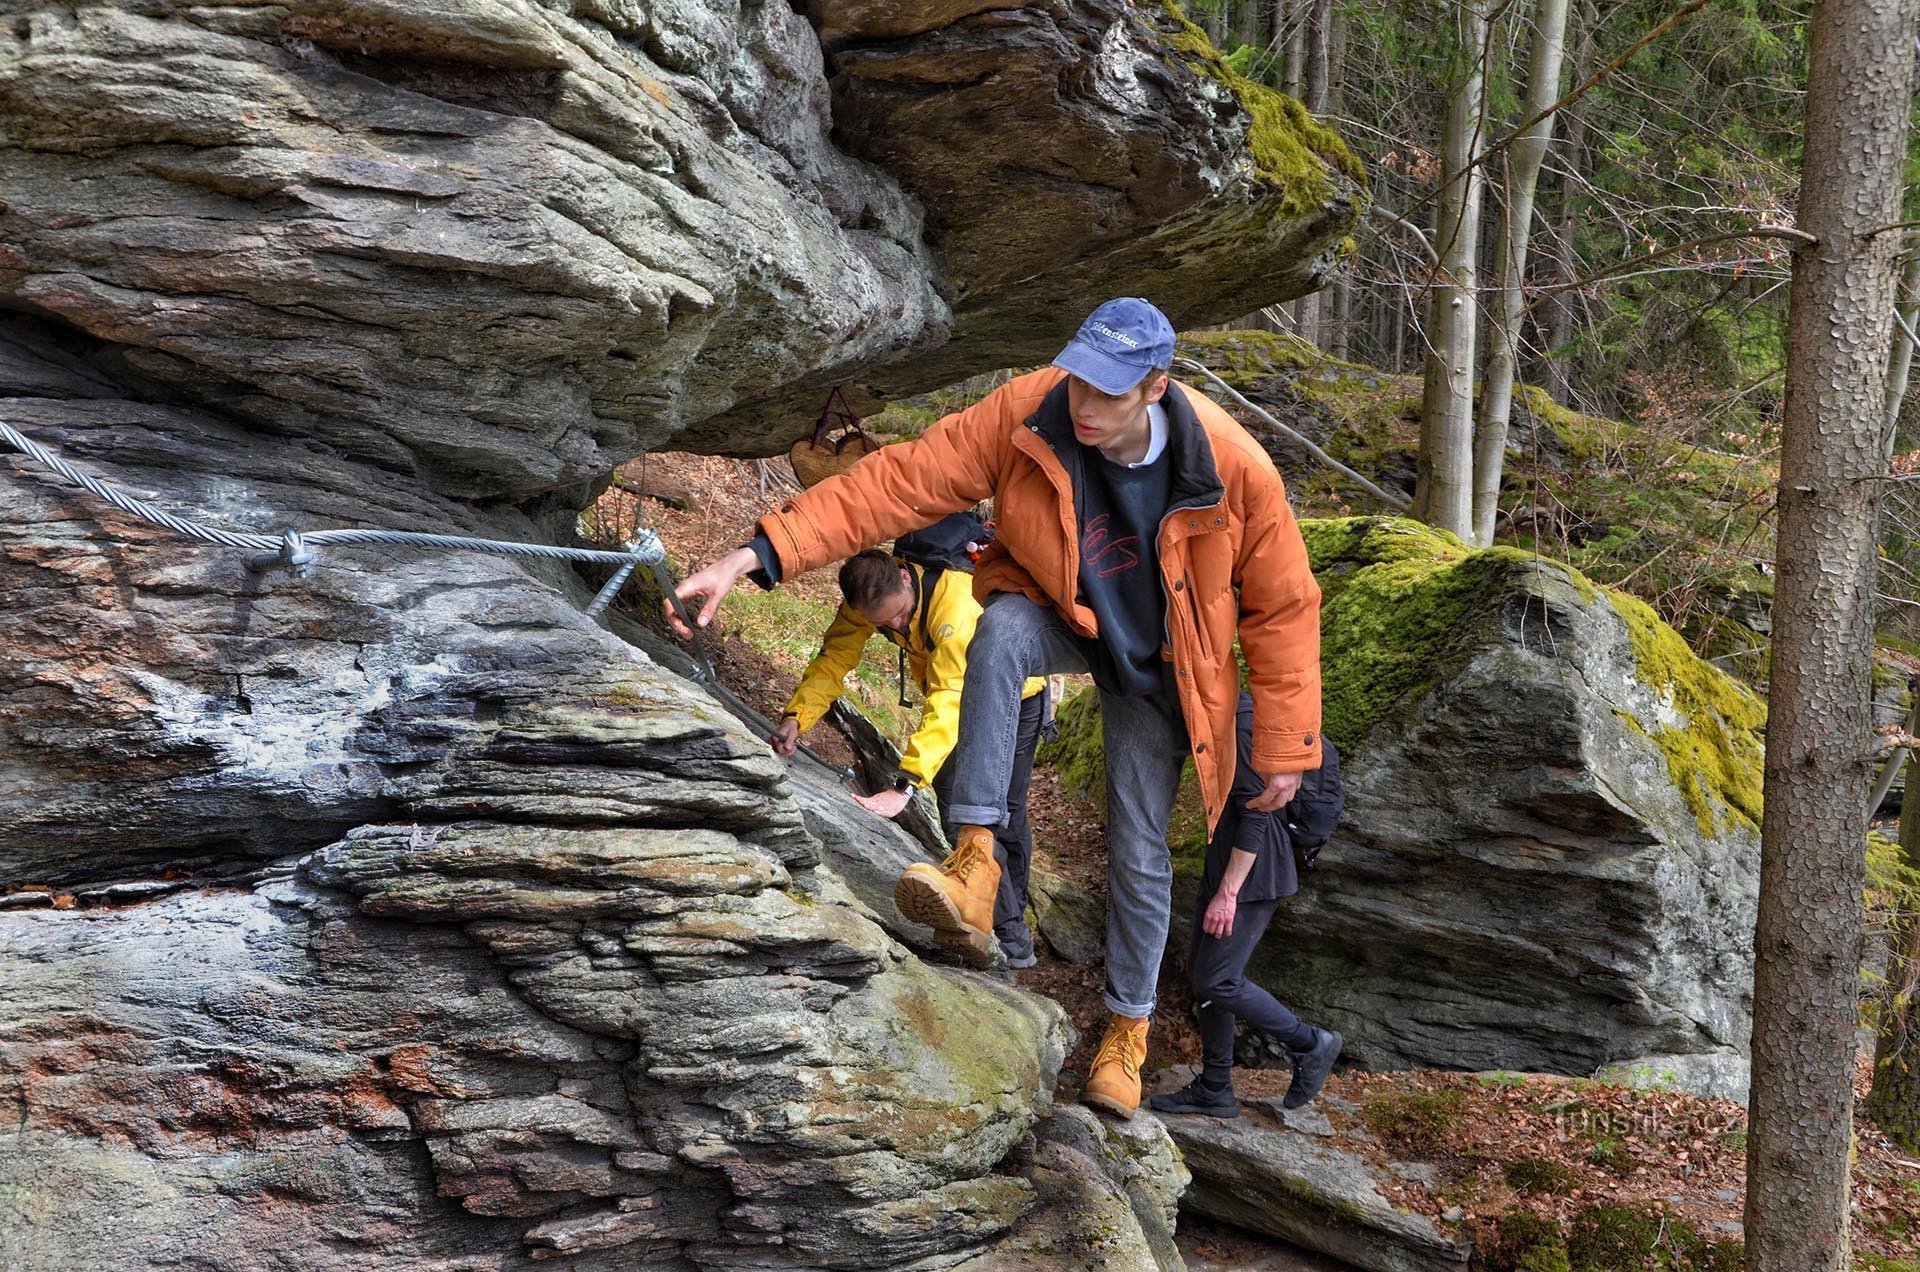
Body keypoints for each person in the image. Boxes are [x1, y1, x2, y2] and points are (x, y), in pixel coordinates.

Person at [669, 297, 1323, 1118]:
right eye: (1078, 379)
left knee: (1139, 848)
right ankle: (974, 858)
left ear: (1156, 386)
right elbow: (900, 480)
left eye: (1107, 391)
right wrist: (755, 555)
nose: (1082, 403)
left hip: (1167, 663)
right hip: (1067, 615)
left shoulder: (1232, 466)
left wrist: (1289, 747)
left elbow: (1285, 607)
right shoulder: (1029, 414)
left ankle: (1128, 1031)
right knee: (1001, 626)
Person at [772, 546, 1049, 967]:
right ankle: (983, 908)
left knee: (998, 808)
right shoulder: (864, 604)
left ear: (905, 578)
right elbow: (834, 659)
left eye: (900, 616)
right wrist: (798, 716)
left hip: (1018, 694)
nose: (897, 626)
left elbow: (950, 700)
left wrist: (905, 784)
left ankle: (1011, 938)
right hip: (960, 696)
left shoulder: (954, 603)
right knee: (957, 800)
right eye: (884, 624)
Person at [1149, 694, 1344, 1118]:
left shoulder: (1241, 725)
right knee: (1207, 980)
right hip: (1225, 860)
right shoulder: (1224, 718)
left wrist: (1228, 893)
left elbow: (1257, 815)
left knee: (1218, 979)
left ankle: (1310, 1044)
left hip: (1253, 871)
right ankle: (1216, 1087)